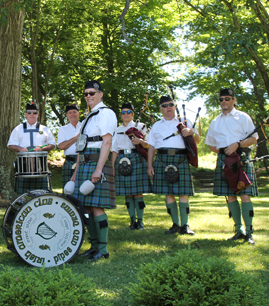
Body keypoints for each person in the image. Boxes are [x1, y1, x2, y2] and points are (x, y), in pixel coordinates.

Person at [71, 80, 117, 261]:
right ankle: (94, 245)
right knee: (86, 207)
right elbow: (80, 146)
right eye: (86, 94)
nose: (88, 96)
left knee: (97, 207)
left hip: (97, 163)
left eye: (92, 93)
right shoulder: (88, 118)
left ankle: (103, 249)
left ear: (100, 94)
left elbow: (107, 142)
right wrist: (75, 172)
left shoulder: (106, 114)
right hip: (84, 163)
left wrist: (99, 169)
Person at [205, 88, 258, 245]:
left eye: (227, 99)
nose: (224, 102)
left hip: (241, 157)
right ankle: (238, 230)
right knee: (231, 196)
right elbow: (211, 145)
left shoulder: (243, 117)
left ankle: (249, 232)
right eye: (221, 99)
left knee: (245, 195)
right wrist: (225, 154)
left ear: (234, 100)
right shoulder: (215, 121)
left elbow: (254, 138)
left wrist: (237, 145)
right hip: (224, 159)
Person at [147, 96, 200, 235]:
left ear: (175, 106)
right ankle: (175, 224)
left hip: (181, 158)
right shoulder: (156, 125)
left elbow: (198, 140)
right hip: (162, 158)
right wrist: (149, 166)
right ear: (161, 109)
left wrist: (191, 132)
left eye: (171, 104)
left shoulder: (184, 122)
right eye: (165, 105)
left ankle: (185, 225)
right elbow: (151, 147)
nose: (168, 107)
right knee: (168, 193)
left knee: (183, 193)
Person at [111, 102, 151, 230]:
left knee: (138, 192)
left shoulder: (141, 126)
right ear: (121, 115)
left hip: (136, 158)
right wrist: (112, 166)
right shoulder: (117, 130)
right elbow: (115, 150)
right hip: (121, 159)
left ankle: (140, 221)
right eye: (123, 112)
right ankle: (132, 221)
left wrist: (140, 141)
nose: (126, 114)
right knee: (128, 193)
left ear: (133, 114)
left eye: (128, 112)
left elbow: (148, 145)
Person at [7, 103, 56, 193]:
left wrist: (42, 148)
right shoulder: (18, 129)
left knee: (42, 194)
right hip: (23, 166)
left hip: (40, 165)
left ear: (38, 114)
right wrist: (20, 148)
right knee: (22, 197)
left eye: (34, 112)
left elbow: (52, 144)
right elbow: (11, 144)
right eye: (29, 112)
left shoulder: (44, 129)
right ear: (25, 114)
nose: (31, 114)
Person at [57, 104, 81, 188]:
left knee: (83, 189)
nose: (72, 114)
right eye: (70, 112)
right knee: (68, 189)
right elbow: (62, 146)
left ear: (79, 113)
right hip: (69, 162)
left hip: (83, 161)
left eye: (74, 112)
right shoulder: (63, 129)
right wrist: (77, 137)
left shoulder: (85, 126)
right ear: (67, 115)